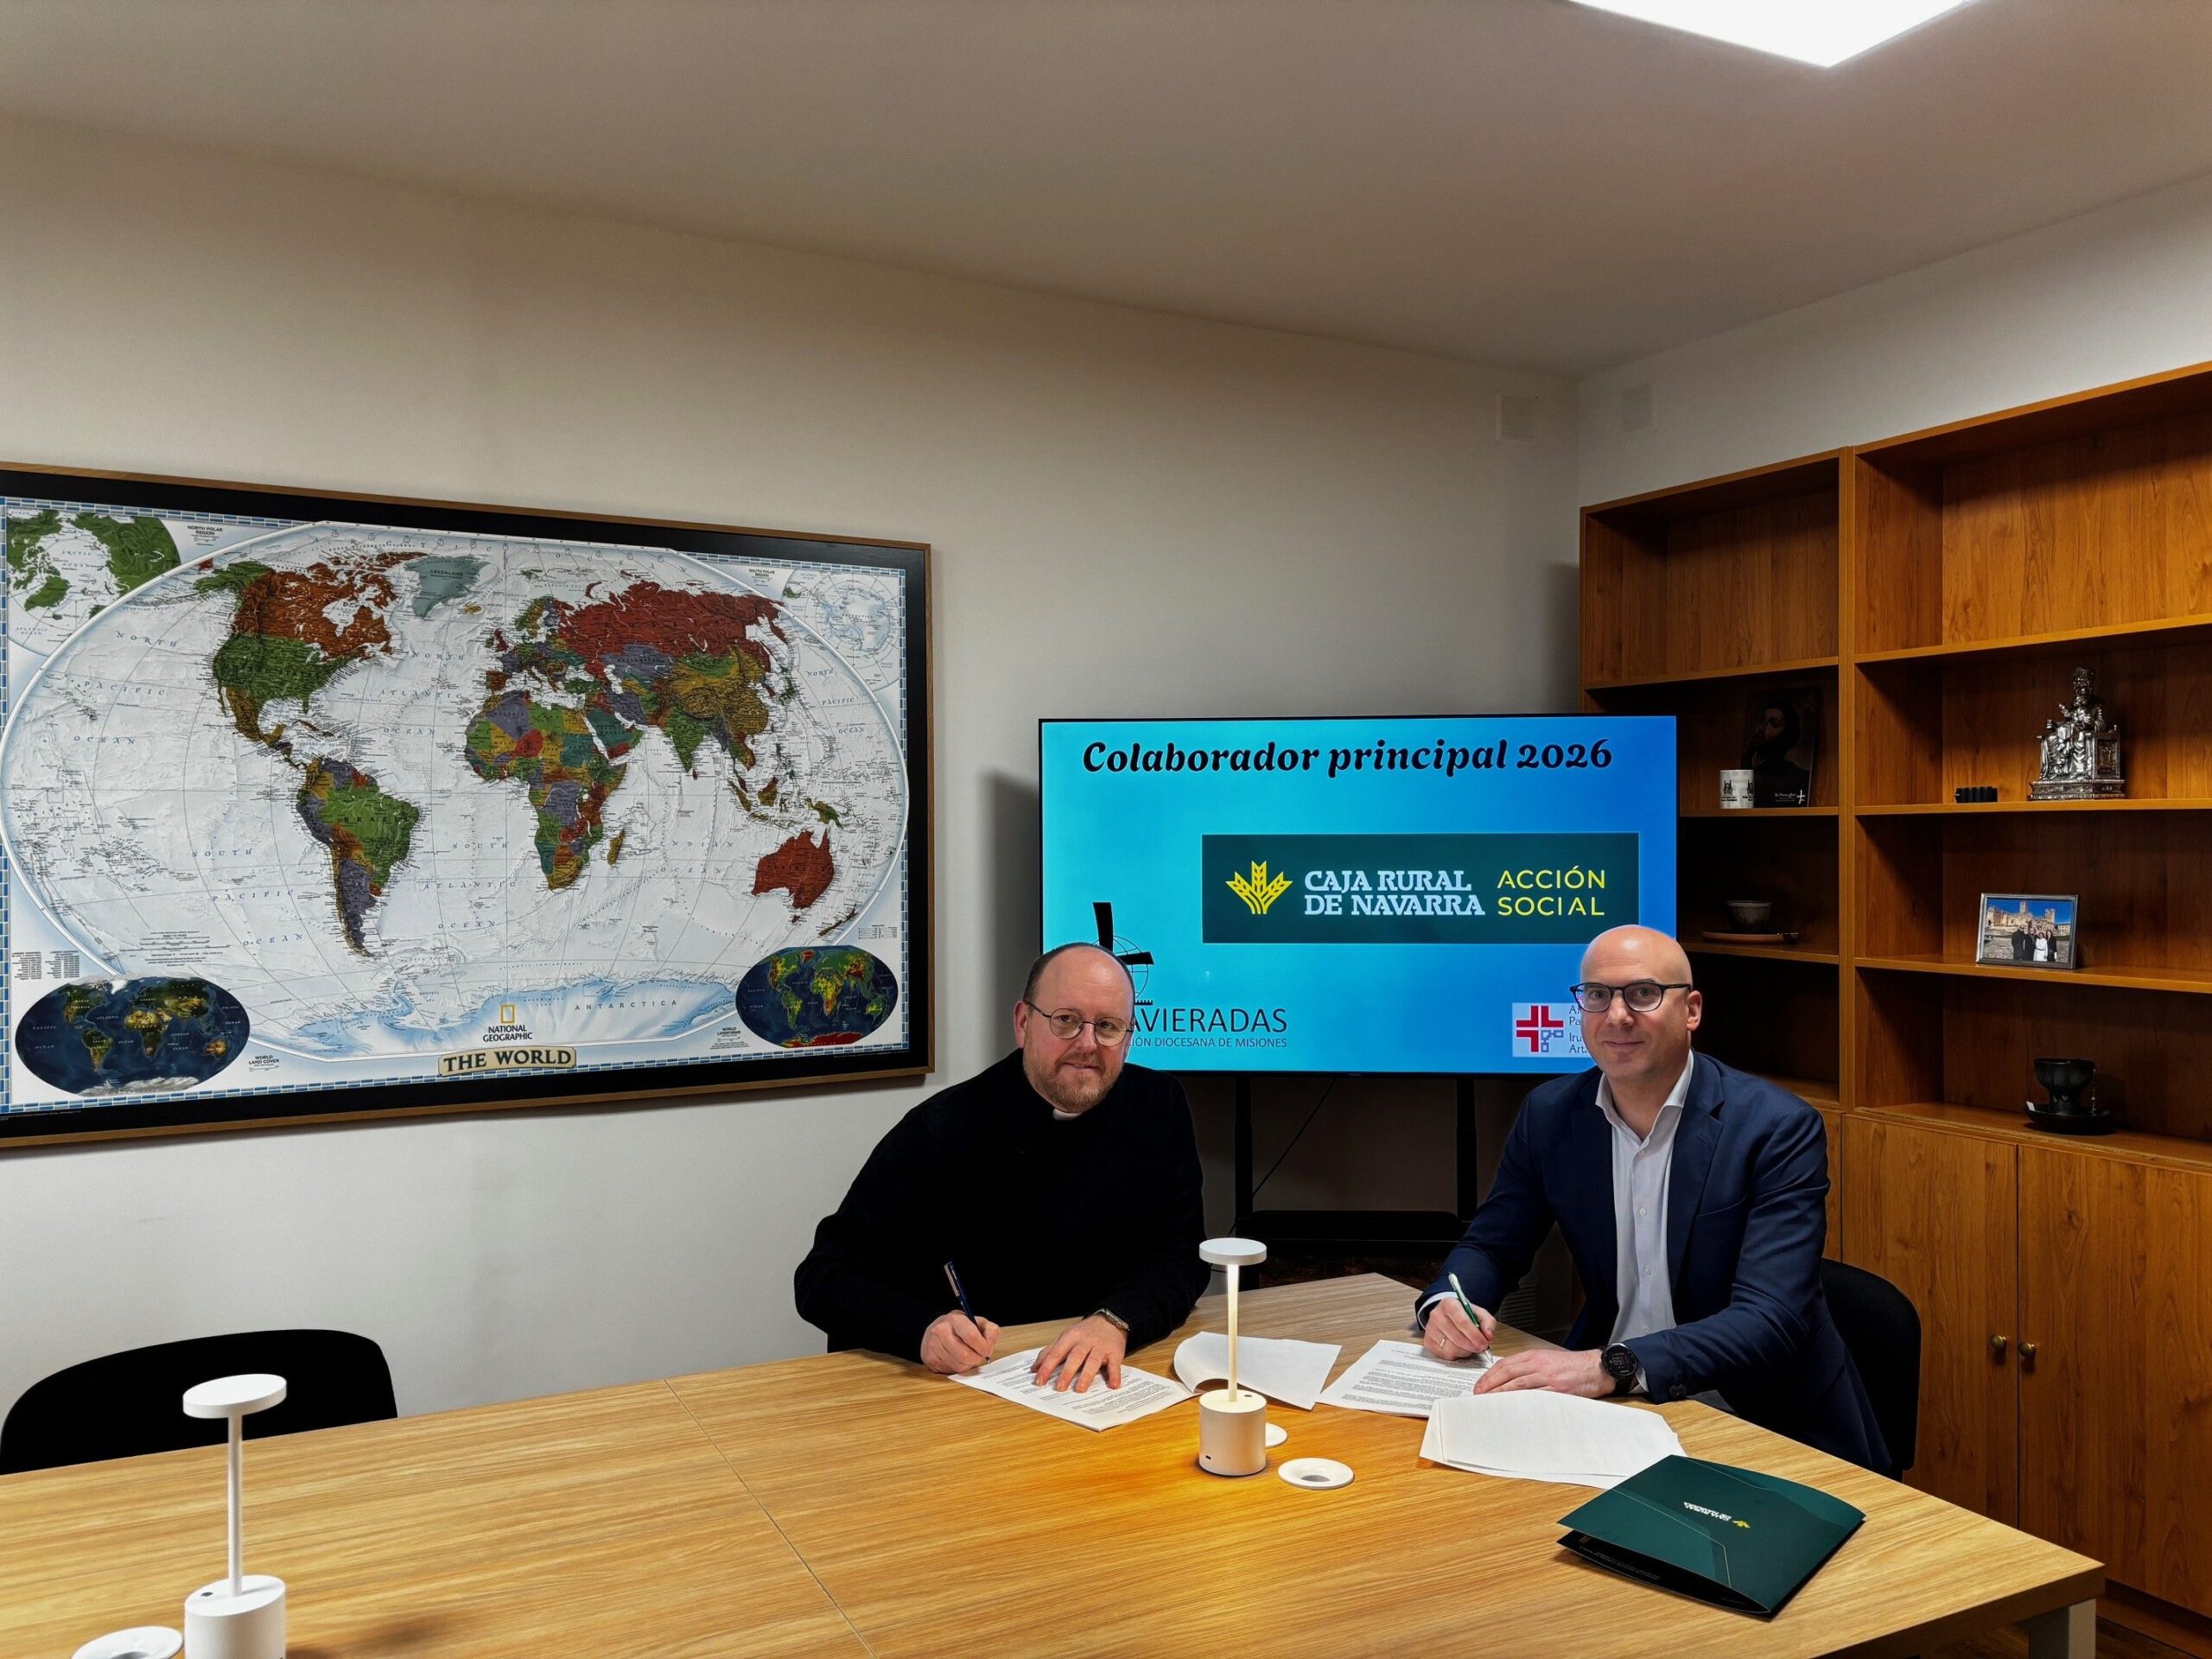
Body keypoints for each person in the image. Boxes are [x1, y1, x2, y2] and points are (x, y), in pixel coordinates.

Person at [1415, 925, 1886, 1470]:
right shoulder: (1550, 1115)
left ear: (1691, 1010)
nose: (1616, 1016)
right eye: (1597, 995)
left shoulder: (1776, 1128)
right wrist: (1449, 1304)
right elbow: (1492, 1247)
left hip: (1760, 1416)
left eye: (1643, 994)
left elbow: (1771, 1318)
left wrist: (1609, 1366)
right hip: (1617, 1411)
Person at [794, 942, 1209, 1393]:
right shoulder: (941, 1129)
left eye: (1108, 1026)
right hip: (968, 1386)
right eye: (1066, 1020)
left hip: (1100, 1382)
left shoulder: (1160, 1106)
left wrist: (1117, 1320)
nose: (1087, 1044)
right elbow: (823, 1277)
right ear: (1023, 1023)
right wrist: (922, 1330)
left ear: (1128, 1038)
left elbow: (1183, 1255)